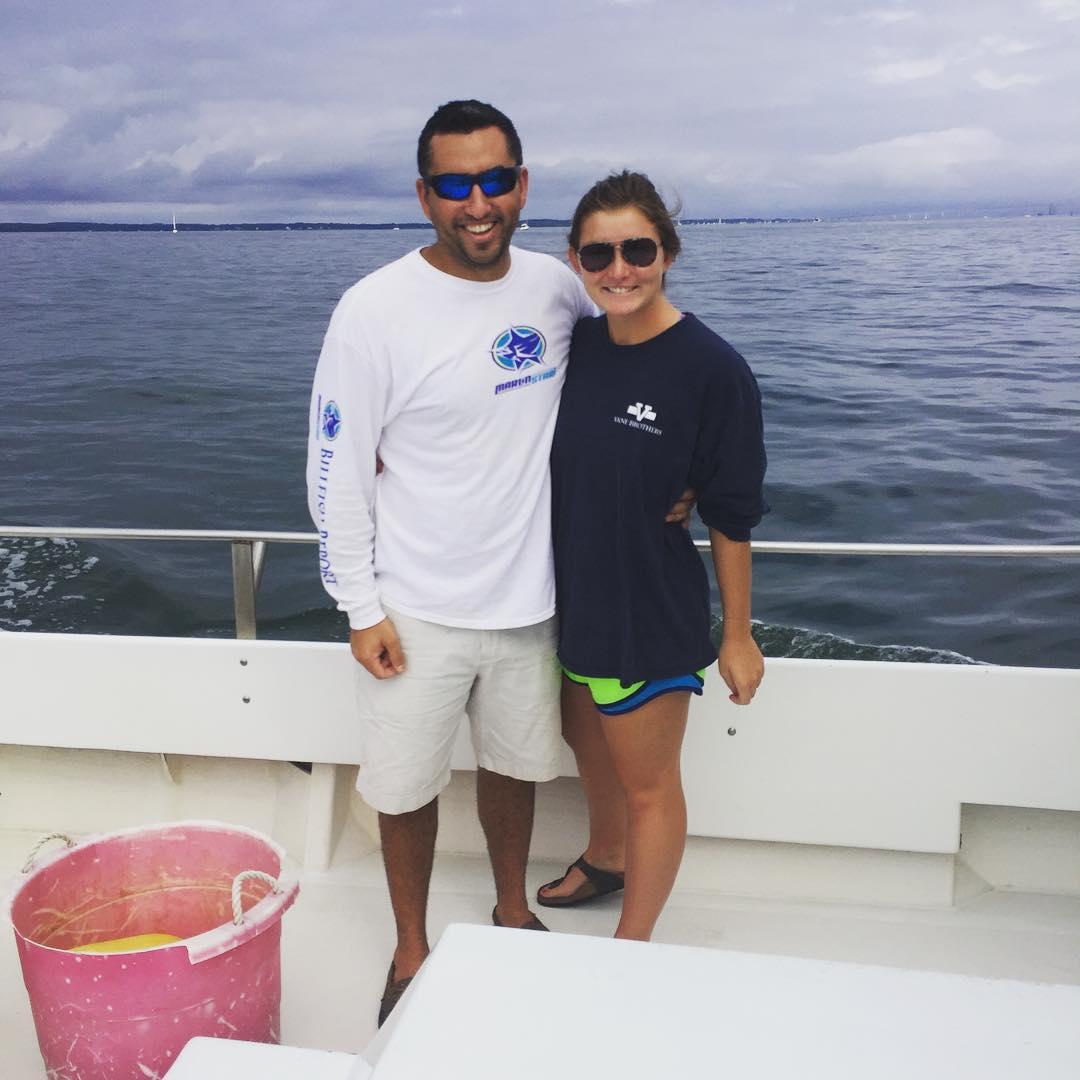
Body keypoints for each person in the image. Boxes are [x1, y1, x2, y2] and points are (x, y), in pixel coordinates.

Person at [306, 104, 690, 1026]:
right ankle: (409, 947)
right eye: (453, 185)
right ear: (424, 195)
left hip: (531, 601)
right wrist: (359, 606)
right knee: (404, 789)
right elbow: (333, 466)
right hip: (412, 606)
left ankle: (510, 909)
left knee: (517, 769)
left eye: (493, 181)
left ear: (521, 185)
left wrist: (676, 483)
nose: (476, 204)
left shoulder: (560, 287)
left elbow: (640, 364)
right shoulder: (373, 309)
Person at [536, 171, 767, 942]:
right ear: (575, 260)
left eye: (638, 248)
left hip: (647, 606)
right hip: (572, 600)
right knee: (583, 739)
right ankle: (608, 859)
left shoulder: (712, 368)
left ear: (667, 252)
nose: (619, 269)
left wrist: (737, 634)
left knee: (649, 785)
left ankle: (631, 948)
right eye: (598, 254)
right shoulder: (578, 343)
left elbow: (732, 515)